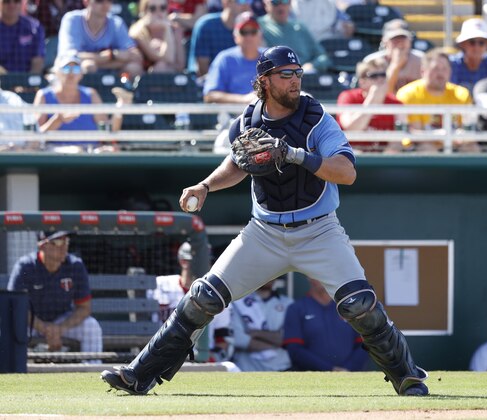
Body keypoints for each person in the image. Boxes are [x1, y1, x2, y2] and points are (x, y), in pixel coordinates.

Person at [101, 45, 429, 397]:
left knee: (359, 304)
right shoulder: (247, 121)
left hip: (319, 229)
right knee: (202, 298)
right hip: (264, 232)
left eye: (298, 74)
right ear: (265, 81)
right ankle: (140, 374)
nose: (295, 81)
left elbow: (347, 172)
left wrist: (296, 154)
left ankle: (406, 376)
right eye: (286, 75)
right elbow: (237, 162)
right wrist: (206, 185)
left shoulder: (316, 117)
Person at [7, 231, 103, 357]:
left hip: (62, 322)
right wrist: (45, 329)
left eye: (66, 241)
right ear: (42, 245)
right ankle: (13, 370)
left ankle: (92, 369)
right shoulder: (25, 266)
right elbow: (16, 307)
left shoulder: (75, 265)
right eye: (58, 242)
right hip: (32, 324)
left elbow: (84, 308)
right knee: (11, 327)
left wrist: (59, 329)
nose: (64, 246)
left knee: (91, 326)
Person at [148, 242, 238, 369]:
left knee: (232, 368)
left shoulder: (217, 294)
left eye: (208, 262)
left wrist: (211, 358)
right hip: (161, 355)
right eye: (199, 262)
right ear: (184, 262)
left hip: (203, 360)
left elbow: (223, 339)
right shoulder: (160, 285)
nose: (206, 266)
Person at [32, 54, 126, 152]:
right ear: (57, 72)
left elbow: (107, 133)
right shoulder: (43, 95)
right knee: (76, 151)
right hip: (55, 153)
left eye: (76, 69)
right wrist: (57, 120)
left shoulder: (91, 94)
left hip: (90, 152)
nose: (71, 73)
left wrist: (120, 108)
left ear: (81, 74)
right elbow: (34, 139)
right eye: (66, 68)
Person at [396, 49, 477, 153]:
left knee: (472, 147)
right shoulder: (409, 94)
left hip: (454, 145)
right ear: (423, 71)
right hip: (421, 147)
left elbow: (467, 128)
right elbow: (412, 133)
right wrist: (438, 135)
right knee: (427, 148)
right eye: (435, 69)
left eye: (444, 69)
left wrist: (461, 136)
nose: (440, 73)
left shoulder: (461, 94)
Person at [283, 277, 368, 371]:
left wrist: (347, 369)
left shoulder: (348, 307)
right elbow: (294, 349)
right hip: (311, 379)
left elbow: (364, 344)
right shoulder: (296, 308)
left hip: (349, 378)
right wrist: (329, 370)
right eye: (318, 273)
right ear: (308, 277)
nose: (323, 277)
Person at [57, 0, 144, 78]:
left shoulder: (116, 22)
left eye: (109, 1)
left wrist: (110, 56)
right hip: (76, 75)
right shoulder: (72, 19)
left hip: (112, 70)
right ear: (86, 2)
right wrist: (107, 56)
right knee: (88, 66)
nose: (105, 5)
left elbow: (135, 56)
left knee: (134, 68)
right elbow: (69, 56)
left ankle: (121, 93)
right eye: (99, 1)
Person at [336, 57, 403, 153]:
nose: (380, 79)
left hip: (384, 157)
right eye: (374, 76)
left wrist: (383, 159)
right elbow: (352, 128)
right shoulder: (348, 97)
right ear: (362, 81)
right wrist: (372, 101)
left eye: (383, 75)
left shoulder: (396, 103)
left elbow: (397, 141)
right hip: (351, 154)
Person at [231, 279, 293, 371]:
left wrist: (256, 333)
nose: (270, 276)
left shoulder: (288, 303)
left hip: (281, 368)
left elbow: (288, 338)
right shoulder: (237, 302)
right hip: (245, 369)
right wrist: (275, 344)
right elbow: (238, 338)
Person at [202, 10, 262, 104]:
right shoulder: (225, 59)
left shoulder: (269, 57)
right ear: (235, 36)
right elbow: (210, 95)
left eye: (253, 32)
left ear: (260, 35)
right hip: (232, 117)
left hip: (266, 116)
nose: (249, 37)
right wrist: (244, 99)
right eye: (244, 32)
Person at [257, 0, 331, 74]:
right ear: (266, 4)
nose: (281, 6)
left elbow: (322, 57)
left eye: (285, 1)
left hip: (305, 78)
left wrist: (312, 66)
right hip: (278, 77)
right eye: (275, 2)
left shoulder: (300, 27)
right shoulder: (257, 27)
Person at [187, 0, 251, 77]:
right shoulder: (206, 25)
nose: (246, 5)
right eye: (241, 1)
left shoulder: (252, 29)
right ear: (226, 2)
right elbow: (203, 69)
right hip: (210, 84)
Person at [362, 19, 424, 94]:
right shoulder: (372, 61)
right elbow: (381, 94)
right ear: (384, 40)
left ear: (410, 40)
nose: (399, 43)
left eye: (402, 38)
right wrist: (395, 65)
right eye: (394, 39)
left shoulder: (421, 60)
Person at [129, 0, 186, 73]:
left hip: (168, 75)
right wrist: (167, 28)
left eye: (162, 8)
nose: (158, 12)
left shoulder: (175, 29)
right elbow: (167, 58)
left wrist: (167, 29)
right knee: (160, 66)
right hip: (143, 77)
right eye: (153, 8)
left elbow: (180, 65)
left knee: (162, 66)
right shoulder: (137, 31)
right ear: (144, 11)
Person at [450, 18, 487, 93]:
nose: (477, 47)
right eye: (472, 42)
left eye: (481, 42)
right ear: (463, 44)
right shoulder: (451, 65)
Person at [0, 0, 45, 74]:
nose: (12, 5)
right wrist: (8, 80)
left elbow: (37, 62)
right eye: (6, 1)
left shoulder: (34, 28)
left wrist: (27, 82)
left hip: (27, 81)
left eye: (16, 1)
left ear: (22, 3)